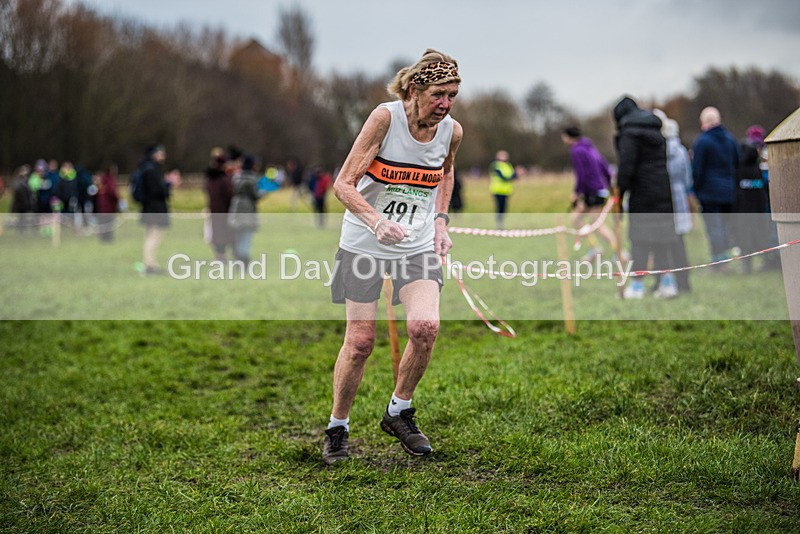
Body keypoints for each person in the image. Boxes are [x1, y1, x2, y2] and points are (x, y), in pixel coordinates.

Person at [322, 49, 462, 465]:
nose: (446, 104)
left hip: (416, 243)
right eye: (439, 94)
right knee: (361, 342)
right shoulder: (385, 119)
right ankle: (337, 428)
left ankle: (399, 411)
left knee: (425, 327)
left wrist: (439, 222)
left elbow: (446, 172)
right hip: (365, 242)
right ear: (415, 89)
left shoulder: (451, 130)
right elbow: (343, 184)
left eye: (453, 95)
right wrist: (375, 220)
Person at [612, 96, 678, 299]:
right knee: (662, 240)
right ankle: (667, 284)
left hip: (642, 194)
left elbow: (626, 168)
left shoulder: (629, 134)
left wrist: (619, 194)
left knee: (639, 240)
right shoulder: (655, 131)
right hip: (663, 191)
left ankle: (637, 287)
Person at [691, 106, 740, 268]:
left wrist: (696, 189)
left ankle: (719, 260)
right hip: (728, 190)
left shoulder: (702, 142)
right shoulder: (731, 139)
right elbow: (737, 163)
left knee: (714, 228)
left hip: (709, 192)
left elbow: (697, 170)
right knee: (725, 227)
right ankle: (724, 257)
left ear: (704, 122)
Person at [561, 126, 617, 260]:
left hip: (593, 191)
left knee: (596, 224)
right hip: (597, 190)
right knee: (576, 219)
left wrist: (577, 192)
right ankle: (595, 248)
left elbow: (582, 174)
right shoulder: (590, 148)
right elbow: (605, 167)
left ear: (569, 137)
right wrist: (609, 185)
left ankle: (618, 251)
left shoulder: (577, 150)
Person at [655, 111, 694, 292]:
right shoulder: (680, 150)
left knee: (661, 245)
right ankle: (684, 282)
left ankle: (663, 282)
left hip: (662, 197)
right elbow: (687, 179)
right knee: (679, 244)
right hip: (678, 196)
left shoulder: (657, 151)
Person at [734, 125, 771, 273]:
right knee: (761, 237)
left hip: (743, 214)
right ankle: (766, 260)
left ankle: (747, 265)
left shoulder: (738, 171)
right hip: (758, 212)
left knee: (745, 240)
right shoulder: (757, 170)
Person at [138, 144, 175, 275]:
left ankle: (150, 263)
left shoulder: (147, 168)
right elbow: (157, 190)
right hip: (154, 208)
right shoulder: (151, 170)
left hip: (149, 207)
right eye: (161, 153)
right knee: (154, 236)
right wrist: (169, 184)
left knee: (151, 235)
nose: (163, 156)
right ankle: (149, 264)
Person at [228, 155, 261, 264]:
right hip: (248, 210)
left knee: (238, 236)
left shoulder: (235, 178)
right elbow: (255, 196)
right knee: (246, 237)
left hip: (235, 208)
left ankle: (238, 259)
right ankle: (243, 260)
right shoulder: (252, 179)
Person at [204, 147, 235, 261]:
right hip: (224, 211)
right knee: (225, 234)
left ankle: (219, 255)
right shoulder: (224, 180)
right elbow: (230, 196)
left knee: (216, 234)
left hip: (214, 209)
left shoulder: (210, 179)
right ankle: (223, 256)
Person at [488, 150, 516, 229]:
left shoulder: (508, 165)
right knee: (499, 208)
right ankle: (499, 225)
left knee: (504, 208)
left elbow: (513, 176)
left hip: (506, 191)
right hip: (497, 190)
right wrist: (515, 174)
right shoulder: (495, 165)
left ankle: (501, 223)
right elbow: (504, 177)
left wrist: (518, 173)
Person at [95, 164, 120, 242]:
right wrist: (117, 201)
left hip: (101, 206)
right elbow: (112, 193)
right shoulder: (110, 180)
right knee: (108, 223)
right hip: (108, 206)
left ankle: (103, 238)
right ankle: (108, 238)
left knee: (103, 222)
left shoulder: (102, 180)